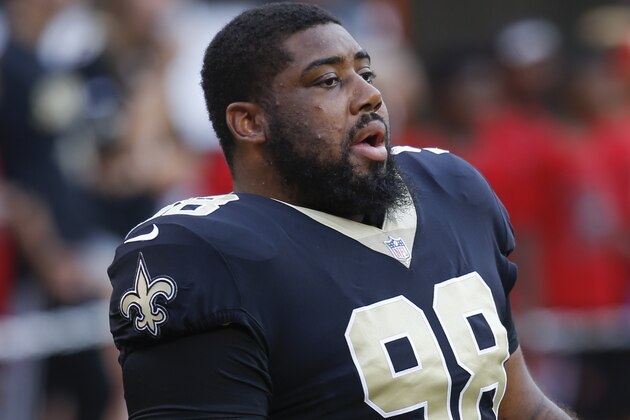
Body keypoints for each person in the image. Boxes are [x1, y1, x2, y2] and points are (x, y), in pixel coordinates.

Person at [108, 3, 575, 418]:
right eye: (328, 80)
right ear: (250, 122)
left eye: (366, 75)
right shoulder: (206, 256)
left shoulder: (450, 190)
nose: (370, 95)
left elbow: (522, 406)